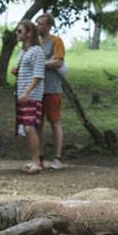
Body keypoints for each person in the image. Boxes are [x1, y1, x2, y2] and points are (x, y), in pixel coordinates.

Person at [11, 19, 45, 174]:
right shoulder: (23, 52)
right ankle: (35, 160)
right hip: (22, 94)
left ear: (29, 33)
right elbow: (27, 72)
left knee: (29, 127)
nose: (17, 34)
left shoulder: (37, 51)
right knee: (28, 127)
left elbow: (38, 75)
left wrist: (26, 92)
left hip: (31, 95)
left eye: (20, 31)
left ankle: (36, 162)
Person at [36, 13, 66, 170]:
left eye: (41, 24)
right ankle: (39, 157)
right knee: (37, 123)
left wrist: (42, 63)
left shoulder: (56, 41)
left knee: (54, 122)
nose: (38, 26)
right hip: (37, 88)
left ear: (48, 26)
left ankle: (57, 158)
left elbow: (59, 62)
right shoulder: (35, 42)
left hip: (52, 88)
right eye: (37, 23)